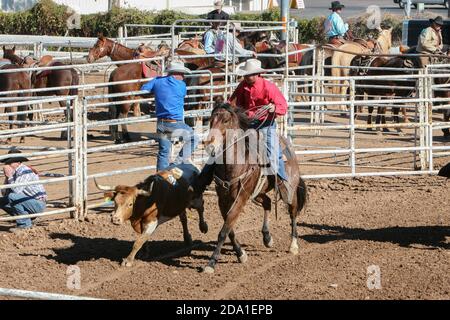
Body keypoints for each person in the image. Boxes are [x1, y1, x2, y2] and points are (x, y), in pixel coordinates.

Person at [193, 59, 293, 204]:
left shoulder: (268, 87)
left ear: (258, 74)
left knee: (272, 152)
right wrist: (224, 108)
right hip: (247, 124)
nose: (247, 77)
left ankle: (281, 183)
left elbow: (283, 106)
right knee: (222, 149)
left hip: (265, 125)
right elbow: (232, 102)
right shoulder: (243, 86)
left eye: (250, 75)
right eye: (245, 75)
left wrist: (274, 108)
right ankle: (203, 180)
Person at [141, 60, 199, 171]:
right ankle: (176, 164)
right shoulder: (182, 86)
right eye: (181, 74)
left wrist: (156, 92)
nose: (183, 76)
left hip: (161, 124)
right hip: (175, 124)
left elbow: (144, 89)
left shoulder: (157, 81)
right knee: (194, 138)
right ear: (175, 73)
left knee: (163, 152)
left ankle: (160, 178)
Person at [0, 150, 47, 231]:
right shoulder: (15, 172)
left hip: (37, 203)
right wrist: (7, 177)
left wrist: (10, 176)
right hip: (28, 202)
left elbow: (16, 190)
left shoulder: (25, 171)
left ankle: (24, 224)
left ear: (17, 162)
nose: (7, 165)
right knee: (2, 200)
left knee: (12, 196)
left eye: (9, 162)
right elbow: (4, 193)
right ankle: (24, 217)